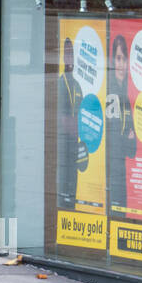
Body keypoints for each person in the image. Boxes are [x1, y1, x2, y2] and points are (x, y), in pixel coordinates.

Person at [106, 34, 136, 214]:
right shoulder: (112, 92)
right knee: (117, 211)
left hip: (123, 174)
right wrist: (128, 137)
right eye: (118, 58)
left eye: (125, 59)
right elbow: (114, 141)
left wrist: (128, 137)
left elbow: (132, 150)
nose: (122, 65)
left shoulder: (126, 92)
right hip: (114, 173)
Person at [56, 38, 80, 208]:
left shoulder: (77, 84)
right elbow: (63, 118)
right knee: (66, 173)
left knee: (74, 174)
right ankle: (65, 201)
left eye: (72, 54)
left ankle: (71, 200)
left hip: (76, 140)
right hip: (66, 140)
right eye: (67, 54)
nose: (70, 58)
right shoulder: (61, 82)